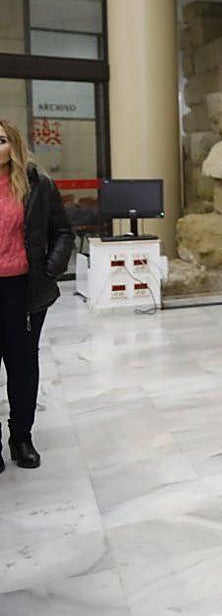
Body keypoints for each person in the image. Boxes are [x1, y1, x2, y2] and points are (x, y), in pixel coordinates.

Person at [0, 118, 74, 472]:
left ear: (13, 144)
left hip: (24, 290)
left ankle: (21, 437)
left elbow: (63, 232)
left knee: (23, 367)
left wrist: (49, 270)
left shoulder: (37, 184)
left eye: (0, 140)